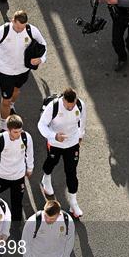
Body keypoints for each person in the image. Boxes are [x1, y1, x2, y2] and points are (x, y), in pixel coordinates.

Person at [0, 10, 47, 131]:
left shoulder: (31, 30)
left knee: (16, 91)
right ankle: (3, 126)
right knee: (5, 100)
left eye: (22, 28)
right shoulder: (1, 31)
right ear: (12, 20)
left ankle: (12, 105)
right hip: (5, 71)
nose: (19, 30)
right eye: (17, 27)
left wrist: (41, 59)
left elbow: (43, 44)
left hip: (23, 69)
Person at [38, 88, 86, 218]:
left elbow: (82, 121)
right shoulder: (53, 107)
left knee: (71, 171)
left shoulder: (80, 105)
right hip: (55, 142)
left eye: (72, 106)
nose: (70, 108)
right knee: (52, 162)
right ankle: (46, 179)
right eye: (67, 106)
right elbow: (41, 125)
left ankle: (73, 202)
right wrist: (54, 136)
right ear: (63, 100)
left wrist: (80, 136)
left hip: (72, 143)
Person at [0, 114, 34, 225]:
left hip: (19, 177)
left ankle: (16, 227)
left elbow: (30, 153)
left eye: (20, 131)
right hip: (2, 176)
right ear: (8, 130)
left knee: (17, 204)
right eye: (15, 132)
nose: (18, 134)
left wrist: (30, 168)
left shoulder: (26, 137)